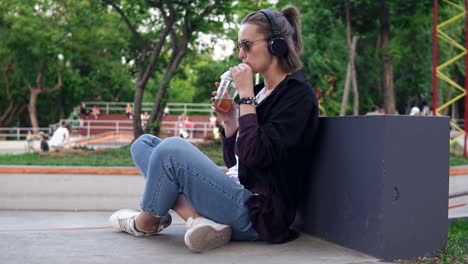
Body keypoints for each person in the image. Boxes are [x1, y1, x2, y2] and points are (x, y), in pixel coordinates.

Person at [109, 6, 319, 253]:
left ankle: (147, 220)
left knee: (171, 150)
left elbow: (256, 156)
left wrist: (245, 97)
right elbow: (237, 163)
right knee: (144, 144)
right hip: (234, 193)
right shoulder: (261, 92)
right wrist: (230, 122)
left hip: (257, 213)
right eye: (239, 46)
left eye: (246, 45)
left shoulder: (297, 95)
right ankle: (196, 220)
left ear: (276, 45)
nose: (241, 54)